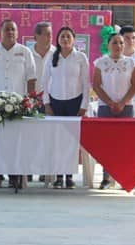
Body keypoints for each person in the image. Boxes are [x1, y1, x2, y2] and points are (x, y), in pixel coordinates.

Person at [0, 19, 37, 188]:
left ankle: (14, 176)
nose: (10, 32)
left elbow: (31, 78)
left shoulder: (25, 52)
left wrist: (30, 101)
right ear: (0, 32)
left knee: (15, 143)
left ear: (17, 33)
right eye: (7, 29)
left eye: (13, 29)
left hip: (17, 106)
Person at [42, 26, 90, 189]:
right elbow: (45, 82)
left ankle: (69, 176)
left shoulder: (81, 58)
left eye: (68, 37)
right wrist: (47, 103)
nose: (65, 39)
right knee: (57, 140)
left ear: (74, 39)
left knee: (71, 141)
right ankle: (58, 176)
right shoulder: (52, 57)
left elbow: (85, 84)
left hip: (74, 102)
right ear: (58, 40)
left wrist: (83, 106)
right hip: (56, 103)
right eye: (62, 37)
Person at [92, 33, 135, 189]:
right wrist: (111, 102)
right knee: (107, 144)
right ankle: (106, 177)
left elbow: (134, 86)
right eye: (114, 43)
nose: (118, 46)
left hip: (126, 108)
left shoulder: (131, 63)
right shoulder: (101, 63)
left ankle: (123, 177)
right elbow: (96, 85)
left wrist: (122, 103)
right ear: (108, 44)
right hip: (106, 108)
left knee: (125, 144)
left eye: (121, 43)